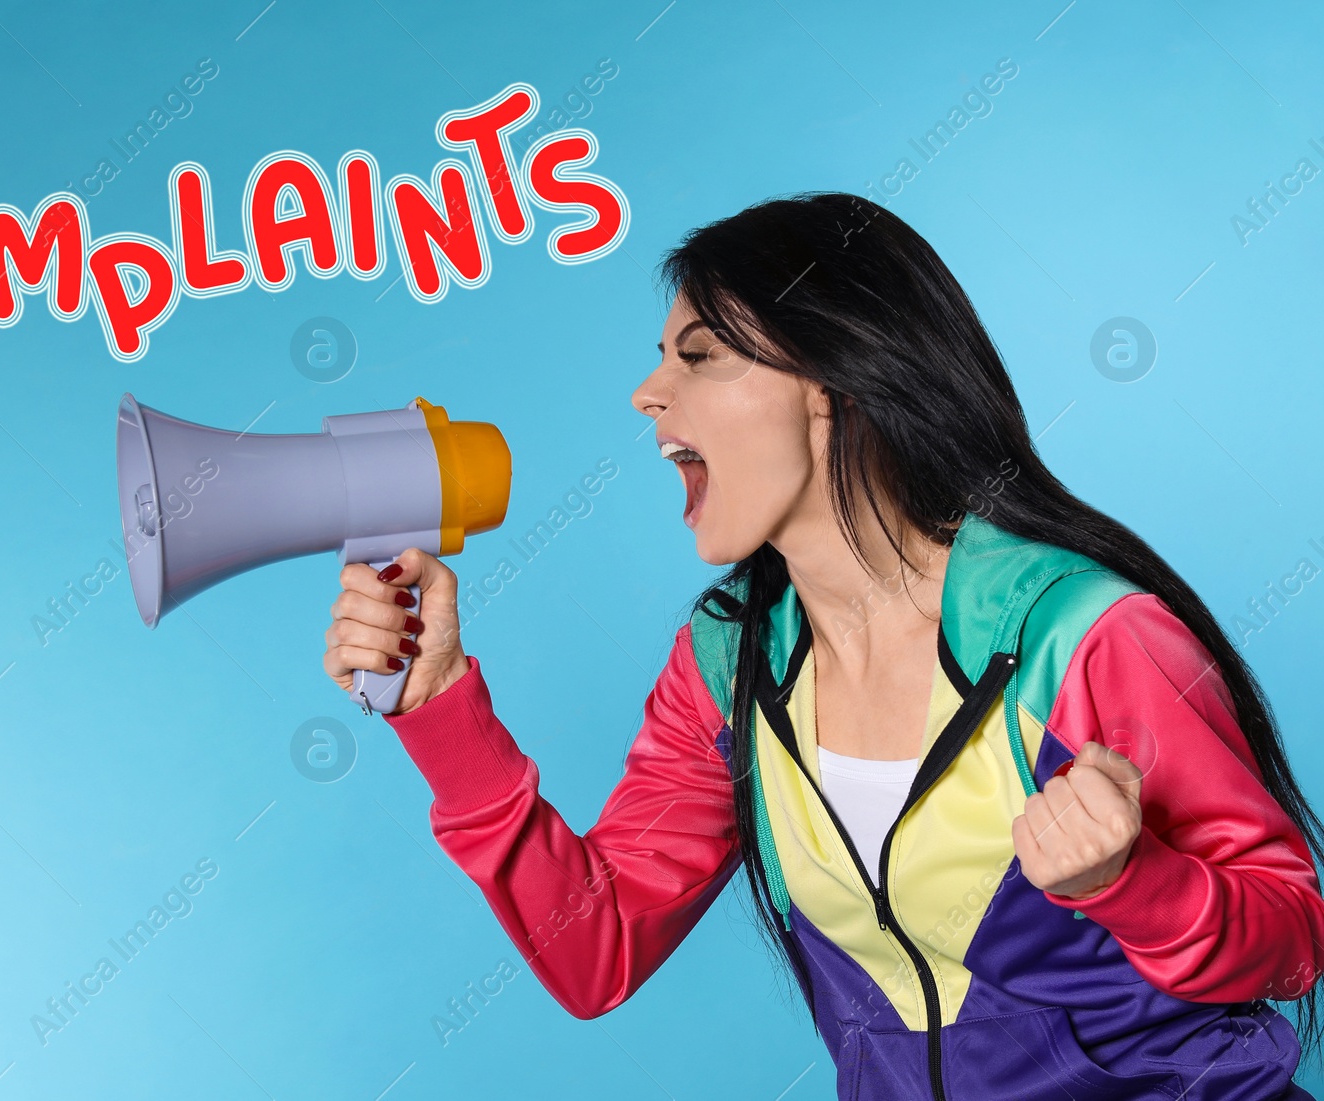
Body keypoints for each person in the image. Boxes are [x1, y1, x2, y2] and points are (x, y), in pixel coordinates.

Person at [322, 191, 1324, 1099]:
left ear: (831, 379)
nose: (647, 392)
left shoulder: (1078, 636)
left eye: (699, 354)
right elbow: (594, 953)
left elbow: (1292, 947)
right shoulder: (726, 667)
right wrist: (437, 703)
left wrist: (1131, 885)